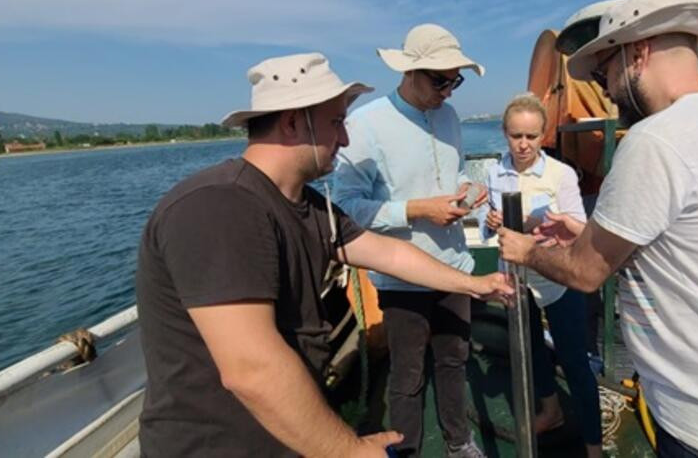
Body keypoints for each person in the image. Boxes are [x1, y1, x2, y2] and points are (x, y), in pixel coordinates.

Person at [135, 53, 512, 458]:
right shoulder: (219, 205)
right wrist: (347, 450)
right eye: (336, 123)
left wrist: (473, 283)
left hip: (286, 437)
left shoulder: (311, 207)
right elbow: (251, 368)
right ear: (294, 121)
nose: (346, 139)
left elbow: (388, 253)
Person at [497, 0, 698, 457]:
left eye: (605, 69)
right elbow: (683, 236)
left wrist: (525, 250)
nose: (604, 88)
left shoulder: (657, 139)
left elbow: (586, 273)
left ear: (638, 52)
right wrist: (583, 230)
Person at [332, 24, 488, 458]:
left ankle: (459, 442)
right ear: (410, 72)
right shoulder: (364, 126)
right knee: (407, 376)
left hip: (455, 268)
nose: (450, 91)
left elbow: (454, 175)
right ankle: (407, 451)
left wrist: (468, 193)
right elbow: (346, 208)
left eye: (455, 80)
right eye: (441, 80)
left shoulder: (449, 117)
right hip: (402, 277)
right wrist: (417, 210)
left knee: (454, 361)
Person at [478, 93, 602, 457]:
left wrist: (550, 228)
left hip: (558, 280)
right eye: (516, 135)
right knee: (531, 350)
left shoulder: (560, 174)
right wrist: (490, 223)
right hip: (517, 282)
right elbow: (489, 228)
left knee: (575, 361)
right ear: (504, 133)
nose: (523, 144)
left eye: (531, 136)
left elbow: (580, 226)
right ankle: (551, 410)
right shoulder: (494, 171)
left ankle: (593, 446)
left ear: (542, 135)